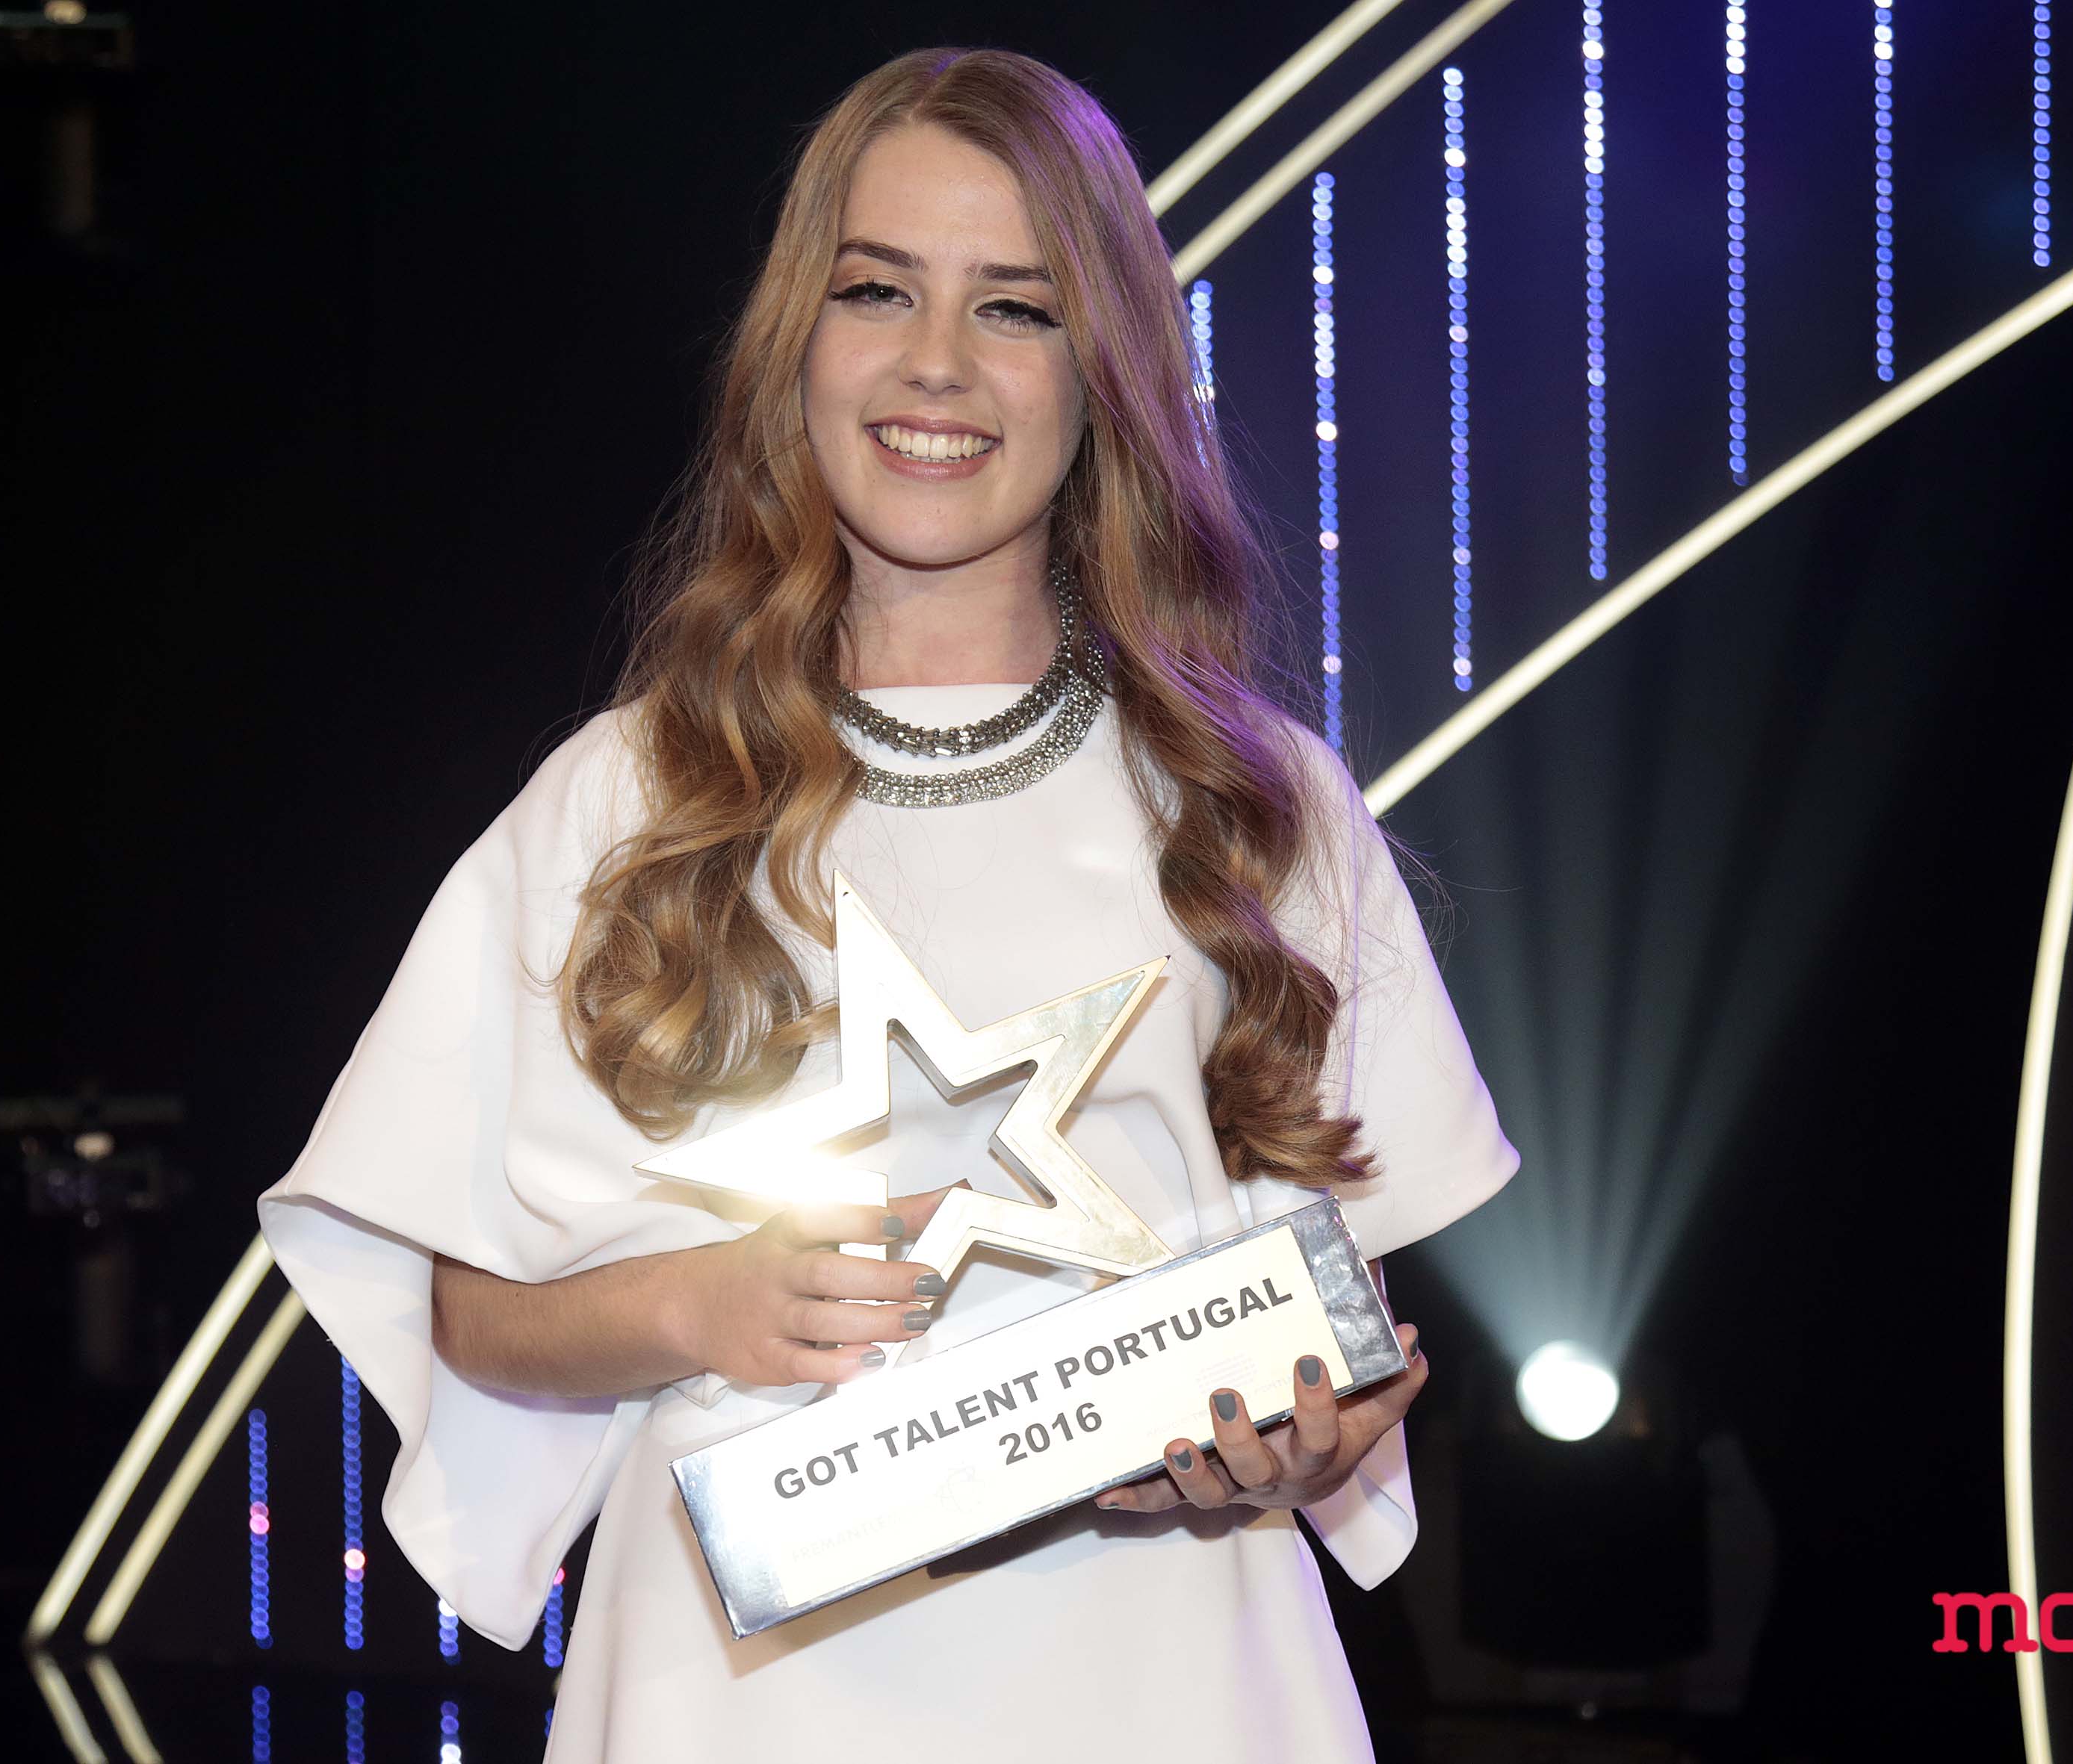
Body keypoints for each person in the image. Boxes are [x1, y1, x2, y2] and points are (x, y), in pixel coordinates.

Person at [258, 46, 1516, 1762]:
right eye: (876, 289)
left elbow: (1339, 1325)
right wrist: (699, 1302)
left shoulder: (1255, 800)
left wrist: (1308, 1434)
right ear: (796, 340)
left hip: (1162, 1673)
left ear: (1104, 373)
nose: (936, 360)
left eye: (1016, 307)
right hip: (738, 1692)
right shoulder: (628, 794)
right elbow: (471, 1311)